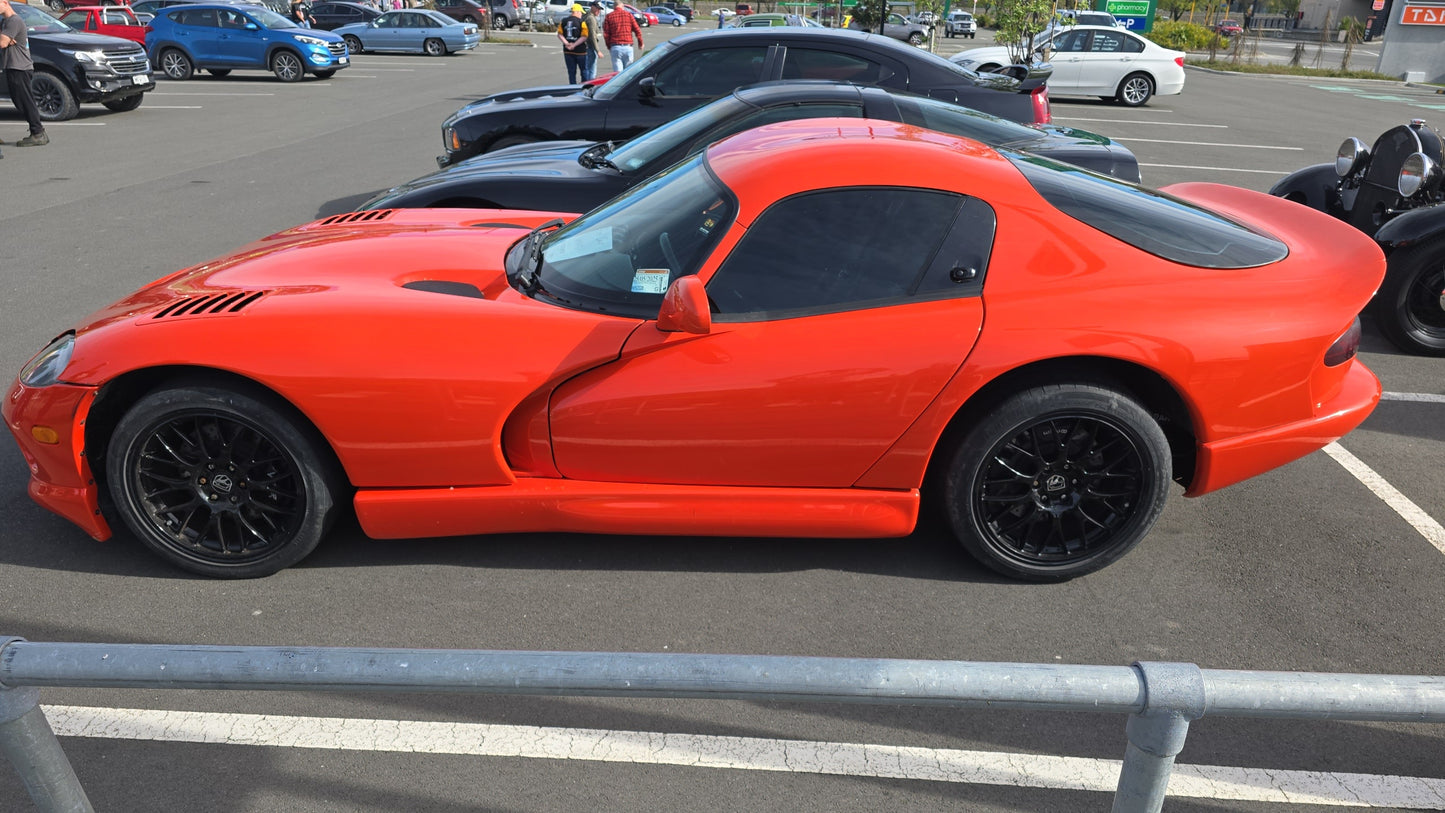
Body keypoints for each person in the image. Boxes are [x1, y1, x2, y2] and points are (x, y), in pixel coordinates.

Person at [0, 0, 45, 147]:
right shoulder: (5, 22)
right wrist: (5, 38)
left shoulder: (14, 21)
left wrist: (5, 39)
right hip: (13, 66)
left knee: (25, 101)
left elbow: (2, 43)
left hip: (20, 67)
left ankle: (38, 133)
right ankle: (37, 131)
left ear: (5, 2)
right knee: (19, 101)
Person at [602, 0, 642, 70]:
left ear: (614, 7)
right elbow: (637, 30)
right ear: (622, 6)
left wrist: (609, 46)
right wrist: (640, 43)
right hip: (628, 46)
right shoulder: (628, 15)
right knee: (628, 72)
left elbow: (606, 34)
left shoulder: (609, 16)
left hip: (615, 46)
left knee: (618, 73)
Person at [557, 4, 587, 84]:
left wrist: (567, 43)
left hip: (567, 51)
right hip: (580, 51)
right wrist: (574, 45)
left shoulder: (563, 21)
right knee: (584, 71)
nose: (581, 15)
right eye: (581, 12)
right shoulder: (582, 22)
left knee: (571, 72)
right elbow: (584, 36)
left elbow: (559, 34)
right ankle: (584, 86)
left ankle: (572, 86)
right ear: (577, 12)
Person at [582, 1, 606, 81]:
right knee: (591, 70)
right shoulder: (591, 18)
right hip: (590, 46)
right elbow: (592, 36)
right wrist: (598, 50)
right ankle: (590, 84)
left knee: (587, 68)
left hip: (585, 45)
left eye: (599, 9)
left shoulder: (586, 16)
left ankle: (586, 82)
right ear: (592, 7)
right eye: (597, 9)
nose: (598, 11)